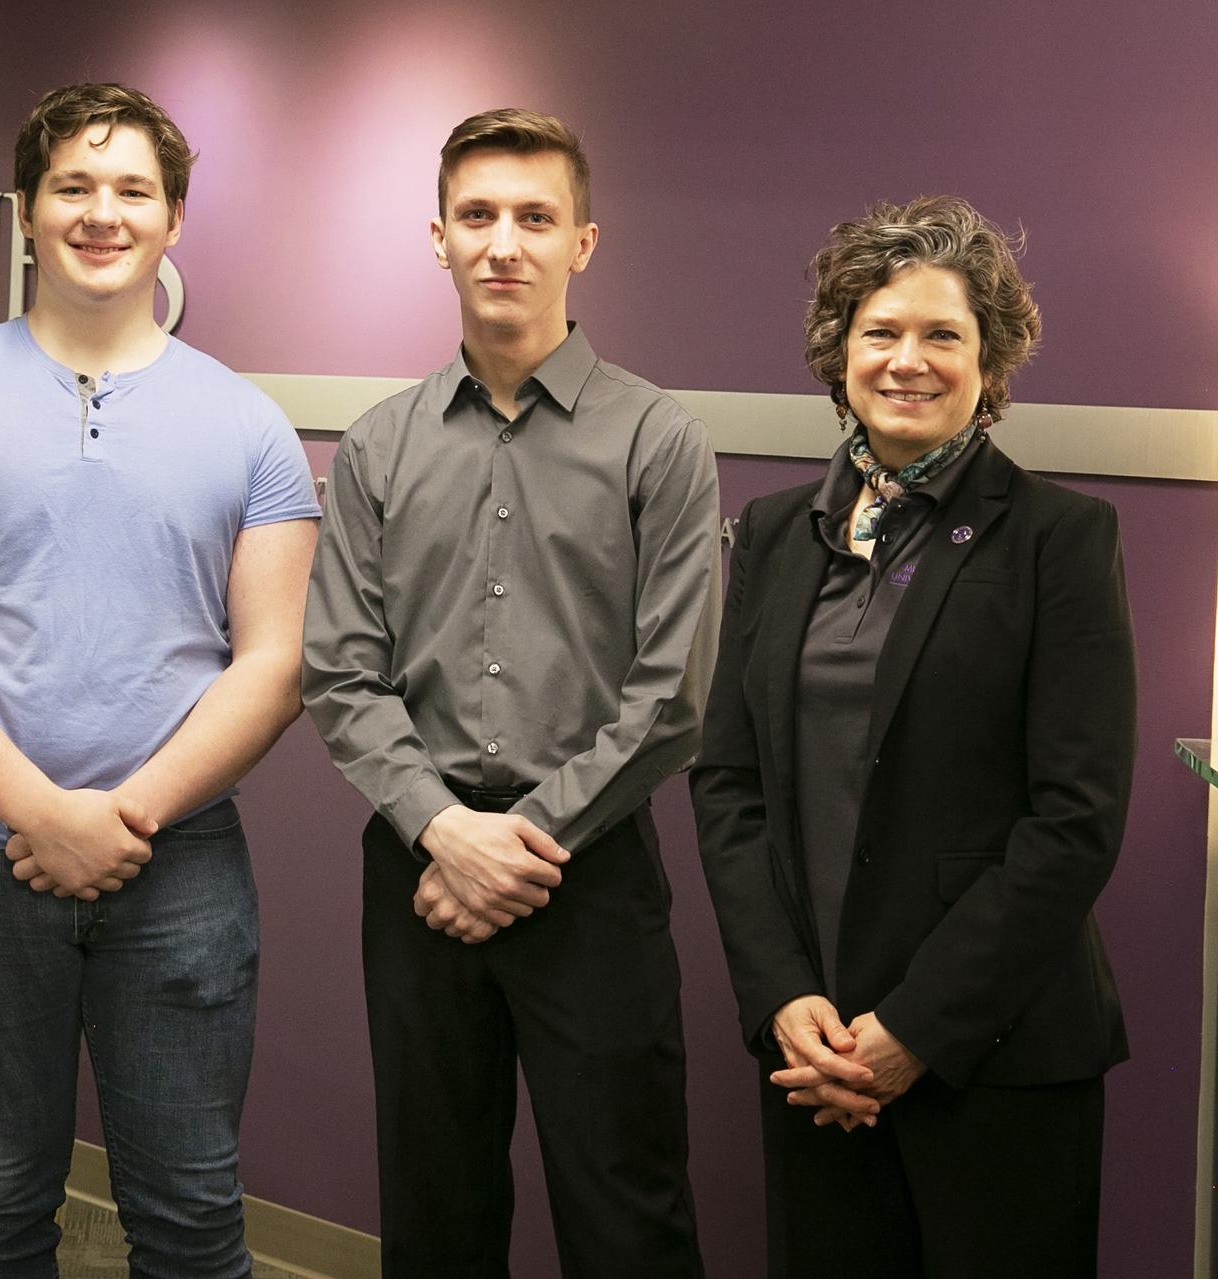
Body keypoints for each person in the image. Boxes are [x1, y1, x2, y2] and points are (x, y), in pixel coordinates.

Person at [0, 83, 319, 1277]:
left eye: (132, 191)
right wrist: (41, 810)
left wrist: (125, 815)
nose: (101, 213)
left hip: (182, 869)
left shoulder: (250, 425)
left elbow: (275, 661)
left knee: (194, 1215)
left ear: (173, 221)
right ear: (25, 212)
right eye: (73, 187)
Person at [302, 108, 717, 1277]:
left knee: (626, 1210)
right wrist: (446, 833)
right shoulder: (381, 445)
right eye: (477, 216)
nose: (504, 243)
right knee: (435, 1207)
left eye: (536, 218)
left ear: (583, 242)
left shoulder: (659, 438)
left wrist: (519, 842)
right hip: (419, 874)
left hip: (589, 874)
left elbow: (672, 692)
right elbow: (340, 667)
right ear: (437, 237)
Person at [690, 195, 1134, 1277]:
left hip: (994, 1054)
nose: (908, 361)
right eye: (880, 331)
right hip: (817, 1048)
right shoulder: (772, 535)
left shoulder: (1061, 540)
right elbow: (728, 783)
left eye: (944, 335)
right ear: (839, 352)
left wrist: (914, 1032)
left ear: (992, 366)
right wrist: (782, 997)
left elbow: (1073, 823)